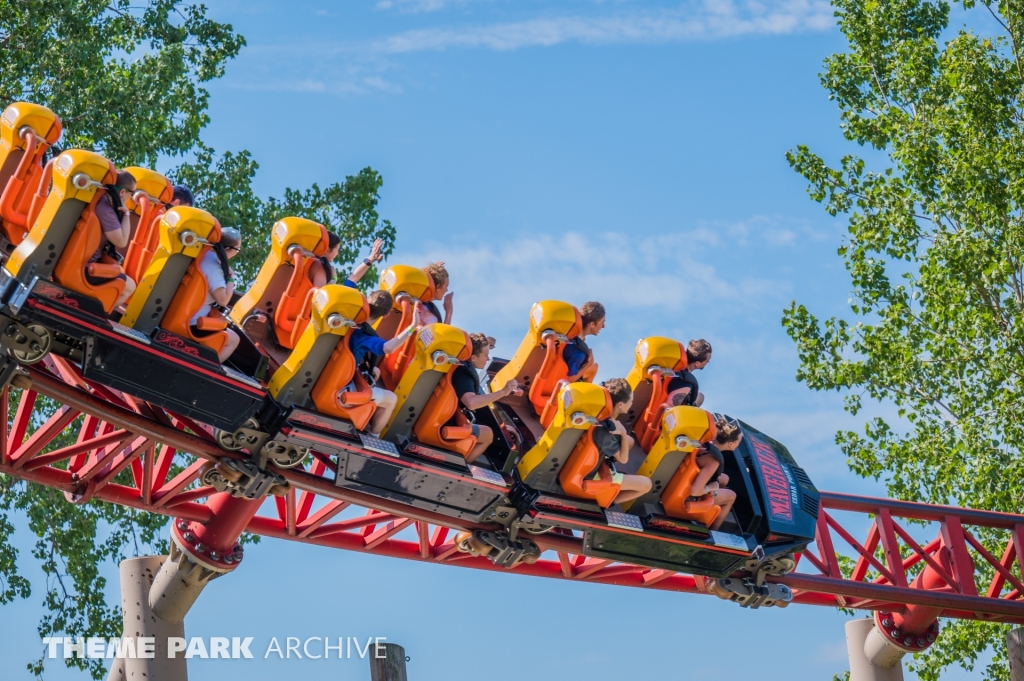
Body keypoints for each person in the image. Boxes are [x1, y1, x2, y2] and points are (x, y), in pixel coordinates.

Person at [346, 290, 416, 437]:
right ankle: (373, 437)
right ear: (386, 315)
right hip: (342, 389)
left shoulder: (348, 319)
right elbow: (388, 347)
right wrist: (412, 327)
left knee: (375, 372)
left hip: (331, 372)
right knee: (391, 399)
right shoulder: (364, 335)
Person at [449, 333, 520, 464]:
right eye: (485, 355)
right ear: (474, 357)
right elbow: (471, 403)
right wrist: (503, 392)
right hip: (450, 421)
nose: (488, 359)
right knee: (488, 434)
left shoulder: (457, 363)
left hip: (451, 413)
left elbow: (473, 343)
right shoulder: (464, 374)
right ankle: (462, 466)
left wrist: (485, 343)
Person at [592, 378, 652, 505]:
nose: (631, 404)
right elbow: (624, 459)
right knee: (647, 485)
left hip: (594, 453)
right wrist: (623, 434)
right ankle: (607, 502)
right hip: (593, 472)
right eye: (630, 401)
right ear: (620, 404)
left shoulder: (599, 412)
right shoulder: (609, 431)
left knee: (630, 441)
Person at [190, 227, 242, 362]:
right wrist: (231, 278)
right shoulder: (214, 269)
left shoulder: (204, 254)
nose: (236, 253)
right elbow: (223, 300)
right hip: (193, 322)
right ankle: (207, 372)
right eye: (237, 250)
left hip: (187, 311)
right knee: (234, 340)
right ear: (226, 249)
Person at [91, 169, 137, 309]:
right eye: (132, 193)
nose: (132, 197)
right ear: (122, 192)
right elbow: (121, 241)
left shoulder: (98, 199)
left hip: (88, 259)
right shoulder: (106, 209)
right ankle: (95, 318)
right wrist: (127, 215)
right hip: (87, 266)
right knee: (129, 287)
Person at [689, 415, 739, 531]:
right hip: (689, 492)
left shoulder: (707, 442)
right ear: (730, 444)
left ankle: (715, 499)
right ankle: (714, 531)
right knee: (731, 496)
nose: (738, 445)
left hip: (692, 471)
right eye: (738, 442)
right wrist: (711, 487)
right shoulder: (713, 461)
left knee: (724, 478)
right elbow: (695, 491)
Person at [563, 301, 604, 382]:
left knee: (594, 367)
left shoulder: (568, 332)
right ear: (592, 324)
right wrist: (589, 363)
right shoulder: (578, 350)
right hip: (562, 377)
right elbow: (569, 379)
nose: (603, 326)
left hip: (562, 365)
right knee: (593, 366)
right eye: (602, 322)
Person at [665, 339, 712, 408]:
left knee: (700, 396)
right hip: (660, 413)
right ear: (697, 363)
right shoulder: (684, 382)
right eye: (707, 361)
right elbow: (669, 408)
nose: (707, 363)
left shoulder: (673, 367)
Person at [421, 261, 453, 325]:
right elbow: (442, 335)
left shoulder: (416, 299)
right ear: (438, 287)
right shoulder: (429, 315)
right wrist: (448, 313)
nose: (446, 290)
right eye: (446, 286)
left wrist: (433, 271)